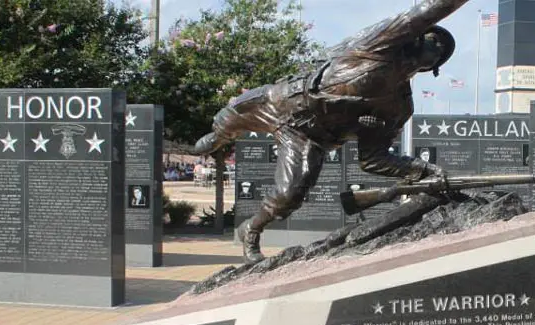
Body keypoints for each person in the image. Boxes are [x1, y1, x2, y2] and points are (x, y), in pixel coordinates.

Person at [192, 0, 469, 263]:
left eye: (441, 52)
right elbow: (430, 9)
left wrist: (420, 169)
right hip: (281, 102)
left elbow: (373, 159)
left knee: (290, 195)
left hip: (309, 137)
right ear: (416, 37)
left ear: (434, 67)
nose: (437, 50)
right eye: (434, 41)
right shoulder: (379, 46)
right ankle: (220, 135)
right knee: (227, 120)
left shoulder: (398, 106)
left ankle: (250, 230)